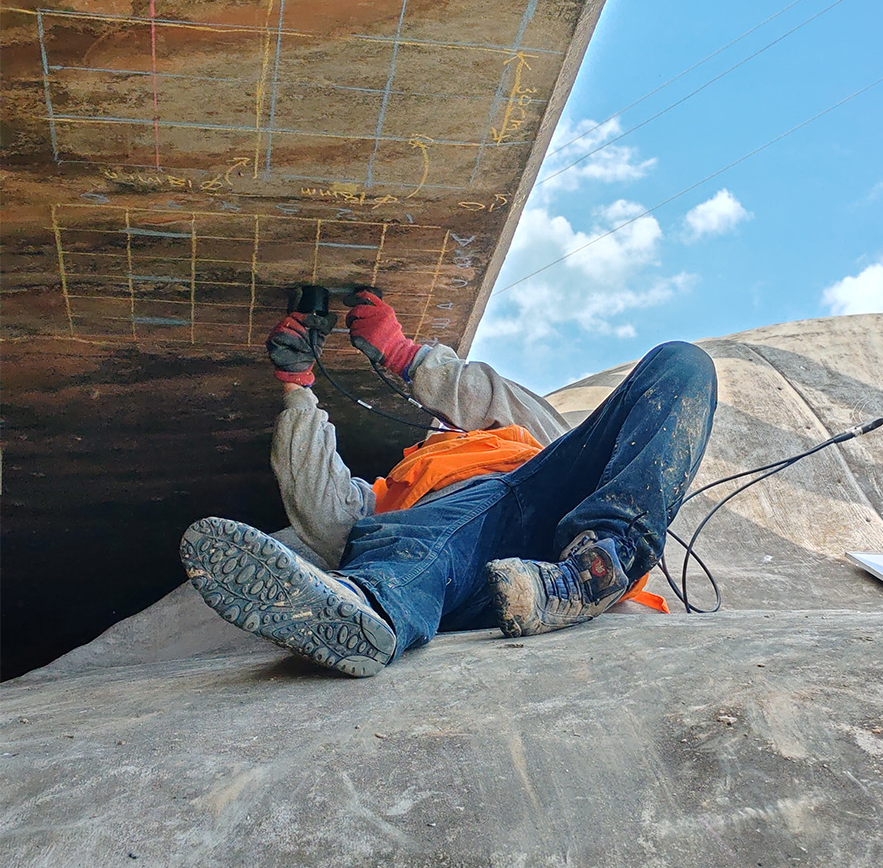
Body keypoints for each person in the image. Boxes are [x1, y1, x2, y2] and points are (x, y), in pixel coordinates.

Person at [179, 289, 717, 677]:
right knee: (431, 529)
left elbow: (488, 396)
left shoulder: (532, 440)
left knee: (682, 363)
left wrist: (404, 354)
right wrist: (298, 390)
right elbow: (317, 506)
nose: (445, 423)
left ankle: (596, 572)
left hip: (563, 548)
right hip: (456, 583)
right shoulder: (400, 491)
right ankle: (360, 607)